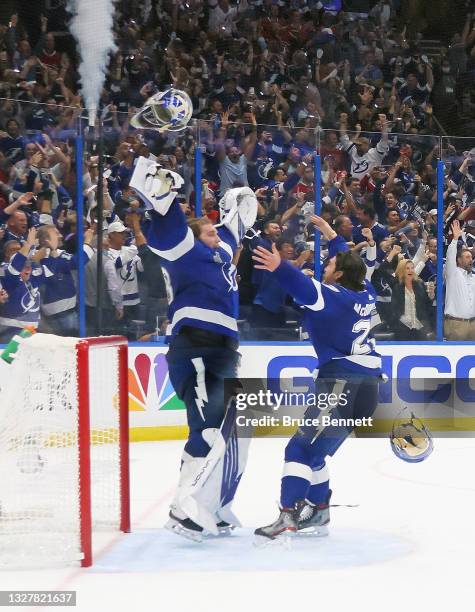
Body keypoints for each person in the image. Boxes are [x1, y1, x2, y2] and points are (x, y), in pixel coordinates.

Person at [139, 158, 257, 541]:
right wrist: (164, 197)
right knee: (208, 431)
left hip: (223, 350)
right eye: (209, 231)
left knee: (229, 430)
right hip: (197, 349)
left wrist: (242, 197)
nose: (216, 235)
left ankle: (212, 503)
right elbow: (166, 234)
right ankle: (184, 509)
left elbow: (235, 223)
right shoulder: (186, 251)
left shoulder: (222, 253)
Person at [251, 215, 382, 542]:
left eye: (330, 262)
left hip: (341, 383)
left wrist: (280, 266)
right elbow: (349, 264)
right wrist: (333, 235)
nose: (325, 264)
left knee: (297, 448)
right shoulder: (366, 292)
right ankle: (320, 509)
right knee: (314, 452)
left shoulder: (332, 296)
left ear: (338, 274)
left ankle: (287, 514)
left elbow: (300, 285)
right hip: (366, 388)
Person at [444, 219, 475, 340]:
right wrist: (455, 239)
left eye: (471, 257)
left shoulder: (473, 277)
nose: (470, 260)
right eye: (467, 257)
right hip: (456, 324)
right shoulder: (453, 273)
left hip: (473, 324)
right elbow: (450, 257)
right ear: (459, 260)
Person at [389, 259, 434, 340]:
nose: (411, 270)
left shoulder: (420, 284)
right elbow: (394, 309)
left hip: (420, 326)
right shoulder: (397, 287)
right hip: (403, 328)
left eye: (412, 268)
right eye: (407, 268)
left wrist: (431, 296)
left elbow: (427, 305)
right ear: (402, 270)